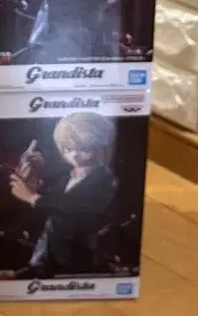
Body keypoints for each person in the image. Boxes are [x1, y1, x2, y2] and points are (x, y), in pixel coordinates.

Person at [8, 111, 118, 277]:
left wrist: (33, 198)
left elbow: (77, 206)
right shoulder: (66, 177)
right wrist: (34, 177)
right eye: (68, 149)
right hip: (48, 257)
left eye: (84, 149)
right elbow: (51, 204)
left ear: (101, 146)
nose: (74, 155)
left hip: (79, 262)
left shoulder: (106, 180)